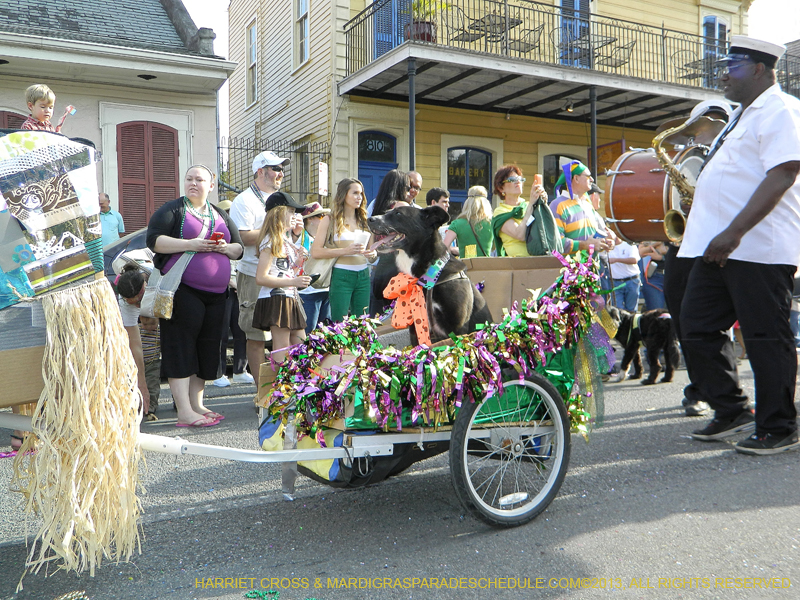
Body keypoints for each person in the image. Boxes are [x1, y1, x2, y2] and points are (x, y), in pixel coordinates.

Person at [678, 36, 800, 455]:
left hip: (757, 247)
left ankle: (780, 425)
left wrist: (734, 232)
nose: (724, 71)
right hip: (720, 248)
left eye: (734, 63)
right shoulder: (739, 116)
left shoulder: (781, 109)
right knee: (694, 325)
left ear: (762, 69)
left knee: (767, 337)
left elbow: (783, 173)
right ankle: (732, 409)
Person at [147, 165, 244, 428]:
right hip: (183, 291)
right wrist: (191, 244)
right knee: (181, 347)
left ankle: (197, 405)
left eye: (199, 179)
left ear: (211, 185)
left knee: (206, 348)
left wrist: (224, 248)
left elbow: (239, 248)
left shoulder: (220, 213)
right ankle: (184, 411)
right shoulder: (173, 210)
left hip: (217, 295)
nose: (193, 183)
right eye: (189, 178)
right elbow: (154, 240)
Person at [229, 151, 289, 384]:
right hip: (253, 274)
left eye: (282, 169)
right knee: (256, 336)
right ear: (260, 171)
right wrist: (277, 230)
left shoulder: (281, 198)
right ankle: (261, 392)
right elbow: (242, 236)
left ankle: (283, 390)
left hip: (281, 274)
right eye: (275, 169)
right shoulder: (244, 200)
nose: (281, 174)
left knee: (284, 333)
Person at [312, 178, 377, 321]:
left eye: (361, 193)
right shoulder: (330, 220)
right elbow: (315, 251)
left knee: (362, 322)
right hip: (341, 275)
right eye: (355, 193)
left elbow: (372, 253)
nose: (359, 197)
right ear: (343, 195)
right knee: (339, 322)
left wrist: (372, 254)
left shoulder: (365, 220)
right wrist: (344, 251)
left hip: (364, 275)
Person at [212, 200, 252, 388]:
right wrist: (232, 283)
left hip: (240, 289)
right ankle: (218, 372)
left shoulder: (238, 237)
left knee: (241, 330)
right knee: (220, 332)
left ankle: (240, 370)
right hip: (224, 289)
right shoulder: (216, 237)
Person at [549, 161, 614, 255]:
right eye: (588, 176)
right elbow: (556, 242)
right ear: (576, 178)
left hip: (592, 267)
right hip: (570, 268)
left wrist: (604, 242)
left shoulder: (587, 204)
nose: (592, 179)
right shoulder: (558, 205)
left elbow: (592, 238)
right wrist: (584, 245)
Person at [115, 264, 154, 420]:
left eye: (140, 300)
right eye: (134, 303)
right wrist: (141, 383)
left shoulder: (153, 272)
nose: (138, 306)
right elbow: (134, 345)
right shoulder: (124, 301)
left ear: (145, 283)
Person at [490, 165, 547, 257]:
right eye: (512, 179)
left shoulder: (529, 205)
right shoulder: (500, 212)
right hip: (517, 265)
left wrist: (543, 204)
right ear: (501, 188)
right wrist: (532, 205)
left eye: (520, 179)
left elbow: (544, 228)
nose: (518, 182)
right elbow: (520, 235)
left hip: (539, 260)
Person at [297, 201, 332, 334]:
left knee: (325, 332)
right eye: (321, 216)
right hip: (308, 292)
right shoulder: (299, 237)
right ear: (310, 219)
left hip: (325, 289)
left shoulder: (324, 237)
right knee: (308, 333)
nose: (325, 219)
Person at [444, 186, 493, 259]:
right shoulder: (492, 223)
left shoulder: (457, 224)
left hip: (466, 267)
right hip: (486, 267)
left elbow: (444, 247)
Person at [607, 241, 641, 311]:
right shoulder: (607, 247)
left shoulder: (629, 244)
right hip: (615, 282)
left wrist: (616, 260)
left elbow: (634, 260)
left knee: (631, 309)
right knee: (617, 309)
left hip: (631, 280)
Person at [425, 187, 458, 256]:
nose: (448, 205)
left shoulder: (447, 226)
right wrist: (451, 249)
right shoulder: (423, 222)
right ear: (433, 202)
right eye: (444, 202)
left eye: (448, 202)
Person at [638, 241, 668, 310]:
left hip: (674, 276)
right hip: (655, 278)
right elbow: (640, 252)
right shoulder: (652, 232)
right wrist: (657, 242)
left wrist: (662, 258)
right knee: (656, 312)